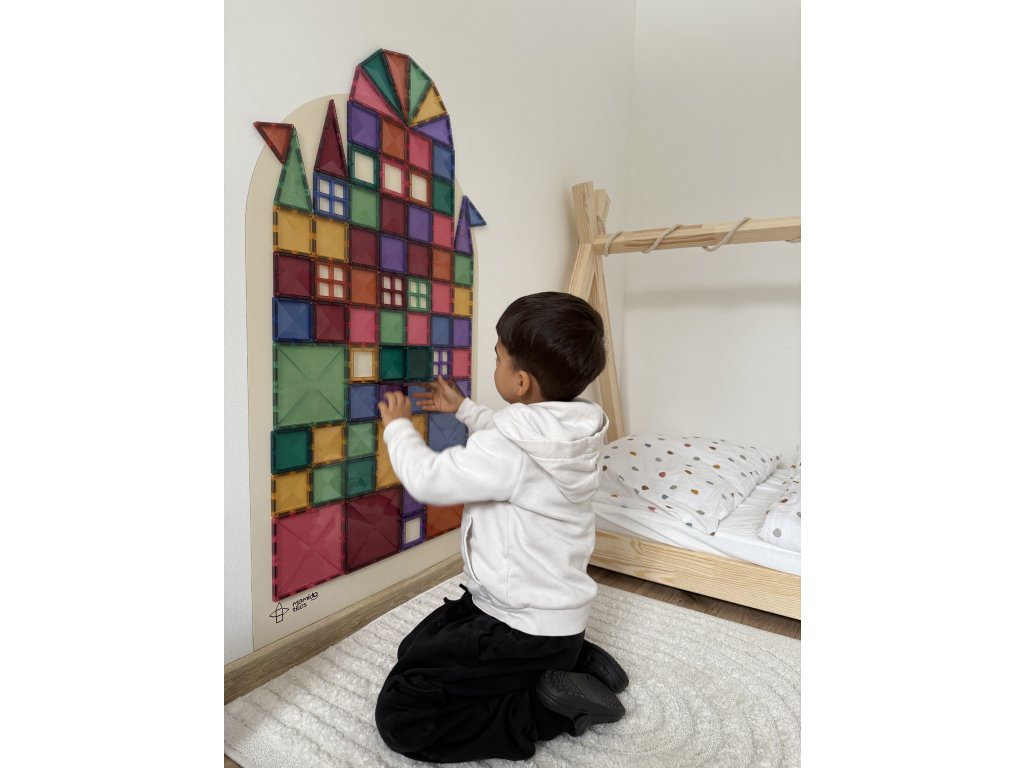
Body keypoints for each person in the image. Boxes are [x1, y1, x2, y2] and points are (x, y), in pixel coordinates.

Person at [373, 291, 629, 763]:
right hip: (542, 618)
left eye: (497, 358)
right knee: (415, 649)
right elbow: (516, 435)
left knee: (404, 715)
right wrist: (465, 409)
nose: (494, 366)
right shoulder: (576, 429)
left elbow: (428, 478)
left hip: (521, 626)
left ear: (522, 381)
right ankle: (574, 660)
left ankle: (549, 707)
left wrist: (398, 427)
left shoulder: (512, 450)